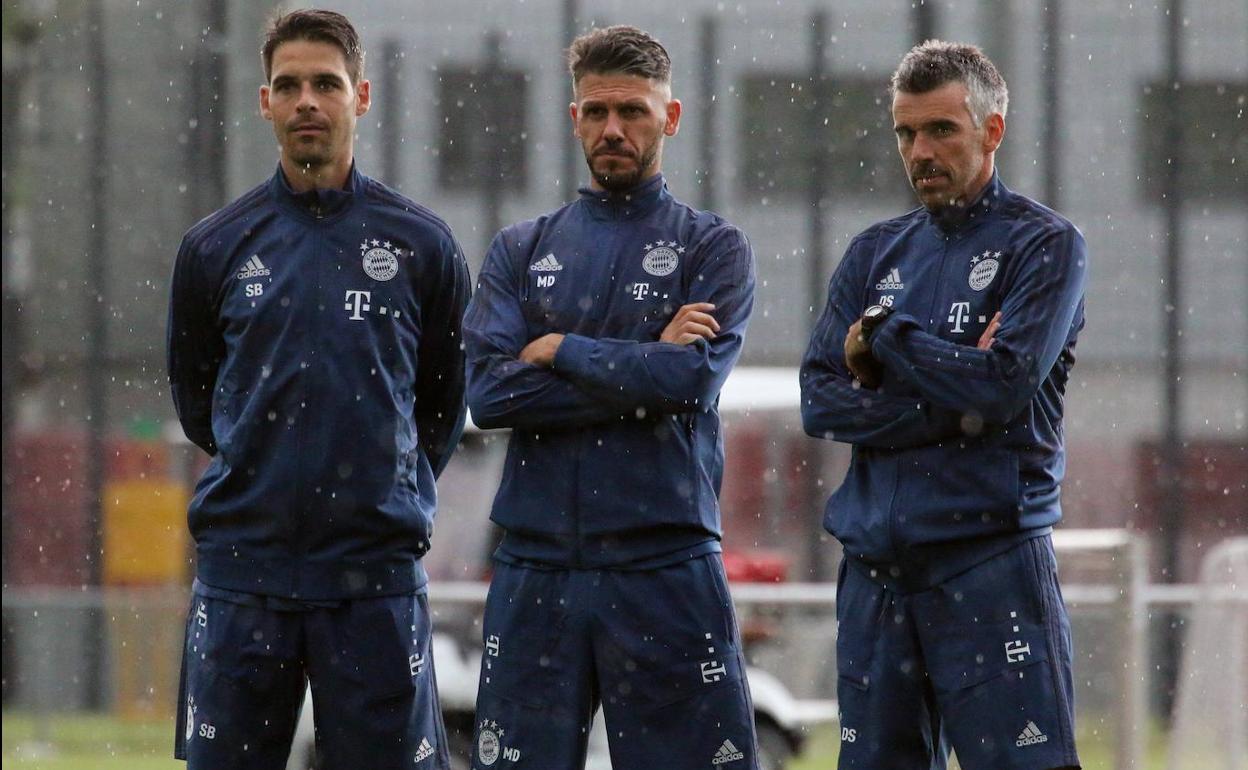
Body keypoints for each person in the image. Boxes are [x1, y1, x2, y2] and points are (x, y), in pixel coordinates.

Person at [166, 9, 470, 769]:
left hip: (373, 578)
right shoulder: (214, 247)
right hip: (245, 576)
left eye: (325, 84)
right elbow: (200, 404)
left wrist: (375, 490)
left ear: (360, 97)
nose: (307, 100)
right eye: (289, 85)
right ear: (264, 101)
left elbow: (440, 405)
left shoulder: (422, 246)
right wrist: (271, 476)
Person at [462, 25, 760, 770]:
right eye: (595, 112)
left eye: (633, 112)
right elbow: (491, 392)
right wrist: (644, 366)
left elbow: (691, 379)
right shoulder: (521, 249)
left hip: (664, 559)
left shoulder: (712, 248)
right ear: (573, 119)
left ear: (672, 117)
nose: (613, 129)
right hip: (536, 563)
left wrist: (564, 351)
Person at [800, 40, 1086, 770]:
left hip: (988, 562)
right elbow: (820, 400)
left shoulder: (1044, 245)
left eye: (941, 130)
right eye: (906, 132)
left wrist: (887, 340)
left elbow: (1002, 385)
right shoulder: (875, 253)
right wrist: (954, 390)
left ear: (992, 131)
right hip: (875, 572)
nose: (919, 150)